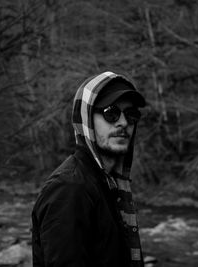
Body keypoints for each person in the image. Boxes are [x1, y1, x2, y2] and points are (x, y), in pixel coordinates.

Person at [31, 71, 146, 267]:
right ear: (86, 121)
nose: (123, 122)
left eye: (131, 114)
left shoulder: (107, 183)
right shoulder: (70, 188)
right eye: (111, 113)